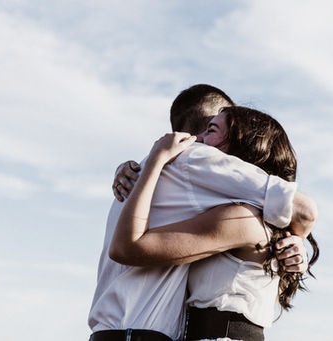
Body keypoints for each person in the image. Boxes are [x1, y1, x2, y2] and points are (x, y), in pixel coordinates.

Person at [88, 84, 315, 341]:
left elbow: (303, 211)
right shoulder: (193, 167)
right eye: (210, 128)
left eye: (214, 131)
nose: (201, 143)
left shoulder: (243, 217)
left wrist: (296, 239)